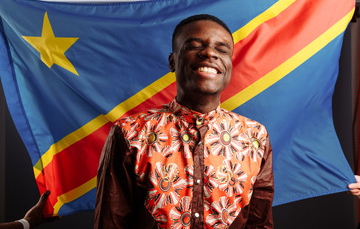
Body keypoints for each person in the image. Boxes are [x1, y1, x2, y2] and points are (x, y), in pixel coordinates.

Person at [94, 14, 274, 229]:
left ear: (229, 66)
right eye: (195, 45)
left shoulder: (254, 137)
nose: (209, 53)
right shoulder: (131, 134)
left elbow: (260, 224)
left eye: (222, 49)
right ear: (173, 62)